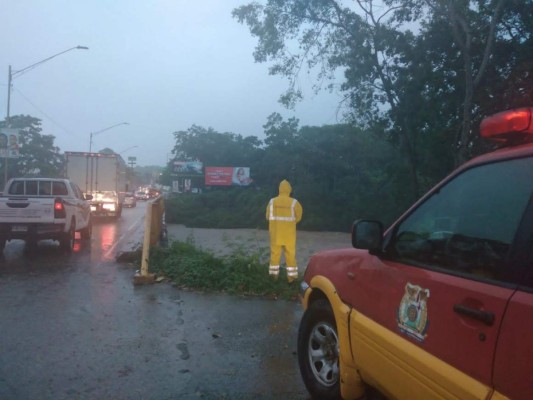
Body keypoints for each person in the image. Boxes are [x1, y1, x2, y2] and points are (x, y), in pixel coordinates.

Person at [266, 179, 303, 283]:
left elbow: (268, 216)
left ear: (279, 189)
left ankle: (273, 279)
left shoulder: (272, 201)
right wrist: (291, 223)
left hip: (275, 234)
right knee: (290, 256)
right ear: (289, 190)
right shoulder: (294, 202)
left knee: (274, 256)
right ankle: (292, 279)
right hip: (289, 235)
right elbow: (299, 217)